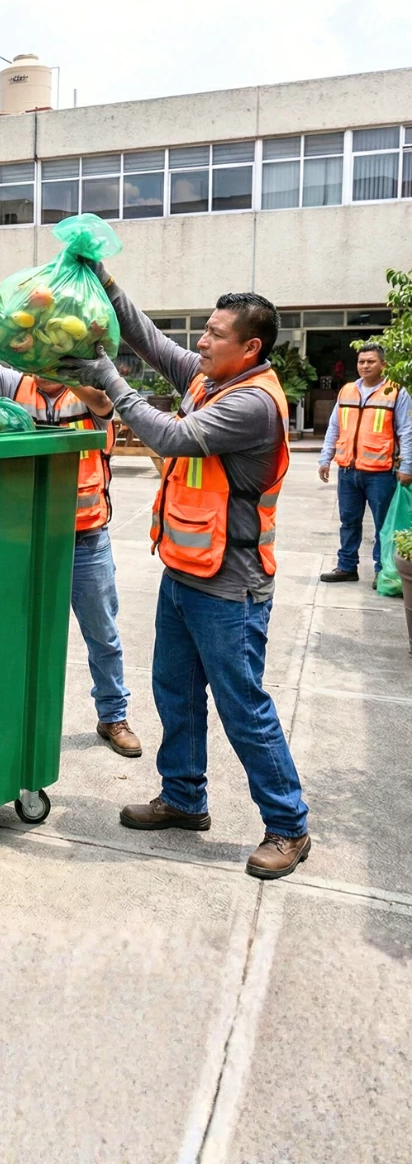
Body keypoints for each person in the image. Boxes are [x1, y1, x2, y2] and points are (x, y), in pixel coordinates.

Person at [62, 272, 310, 880]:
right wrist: (105, 280)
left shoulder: (251, 403)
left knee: (243, 707)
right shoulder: (211, 377)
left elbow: (170, 435)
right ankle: (183, 798)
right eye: (204, 329)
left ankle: (288, 825)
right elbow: (147, 339)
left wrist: (107, 380)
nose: (200, 341)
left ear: (249, 347)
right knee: (175, 692)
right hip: (184, 572)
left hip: (232, 588)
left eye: (214, 333)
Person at [0, 288, 141, 758]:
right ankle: (10, 714)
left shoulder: (91, 393)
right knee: (14, 628)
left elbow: (99, 402)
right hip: (24, 535)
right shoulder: (16, 385)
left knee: (102, 633)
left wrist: (62, 365)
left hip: (85, 536)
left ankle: (113, 716)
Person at [317, 343, 412, 588]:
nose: (365, 365)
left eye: (371, 361)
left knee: (383, 525)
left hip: (381, 474)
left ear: (383, 365)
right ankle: (347, 567)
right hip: (348, 471)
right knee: (348, 521)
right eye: (361, 362)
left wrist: (407, 467)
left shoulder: (396, 393)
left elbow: (407, 431)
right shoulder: (347, 391)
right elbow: (334, 427)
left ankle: (382, 571)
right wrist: (325, 458)